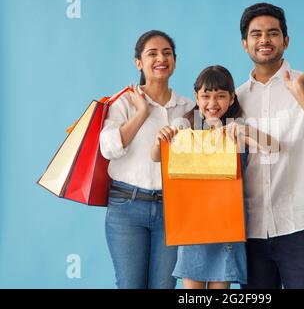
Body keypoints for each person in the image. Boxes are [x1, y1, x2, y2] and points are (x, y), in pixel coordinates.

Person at [237, 3, 304, 289]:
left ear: (286, 41)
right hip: (248, 231)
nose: (264, 40)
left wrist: (300, 92)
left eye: (273, 33)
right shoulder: (234, 99)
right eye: (256, 34)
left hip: (300, 228)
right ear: (244, 44)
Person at [151, 65, 277, 289]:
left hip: (226, 223)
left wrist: (245, 132)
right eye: (206, 96)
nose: (212, 103)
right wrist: (160, 138)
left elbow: (270, 147)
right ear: (196, 98)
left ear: (231, 99)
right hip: (192, 225)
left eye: (220, 96)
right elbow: (156, 157)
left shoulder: (235, 128)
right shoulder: (185, 127)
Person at [99, 30, 194, 289]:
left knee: (164, 286)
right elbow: (108, 149)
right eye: (152, 53)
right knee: (130, 285)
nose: (160, 58)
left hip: (171, 210)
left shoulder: (189, 106)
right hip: (126, 207)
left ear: (174, 60)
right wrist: (142, 112)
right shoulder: (123, 102)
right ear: (138, 63)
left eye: (167, 53)